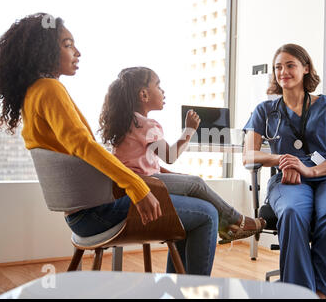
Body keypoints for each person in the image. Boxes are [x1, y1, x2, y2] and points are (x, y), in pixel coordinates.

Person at [0, 13, 218, 275]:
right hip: (98, 214)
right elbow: (83, 146)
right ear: (42, 50)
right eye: (67, 44)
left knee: (193, 205)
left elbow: (80, 149)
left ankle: (178, 293)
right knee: (207, 214)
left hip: (81, 216)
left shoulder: (33, 94)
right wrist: (137, 187)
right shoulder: (49, 89)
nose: (78, 52)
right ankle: (192, 297)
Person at [242, 43, 326, 299]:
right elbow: (248, 154)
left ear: (306, 68)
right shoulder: (265, 111)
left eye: (290, 65)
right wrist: (282, 159)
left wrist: (311, 171)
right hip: (288, 180)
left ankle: (319, 292)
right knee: (293, 212)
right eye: (278, 67)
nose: (282, 71)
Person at [98, 67, 266, 244]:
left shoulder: (128, 123)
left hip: (127, 186)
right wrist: (189, 130)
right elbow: (170, 155)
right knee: (197, 183)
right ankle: (238, 221)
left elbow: (145, 162)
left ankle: (227, 228)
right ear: (144, 95)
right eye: (158, 86)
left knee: (191, 182)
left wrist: (174, 176)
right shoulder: (146, 125)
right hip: (145, 184)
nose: (163, 91)